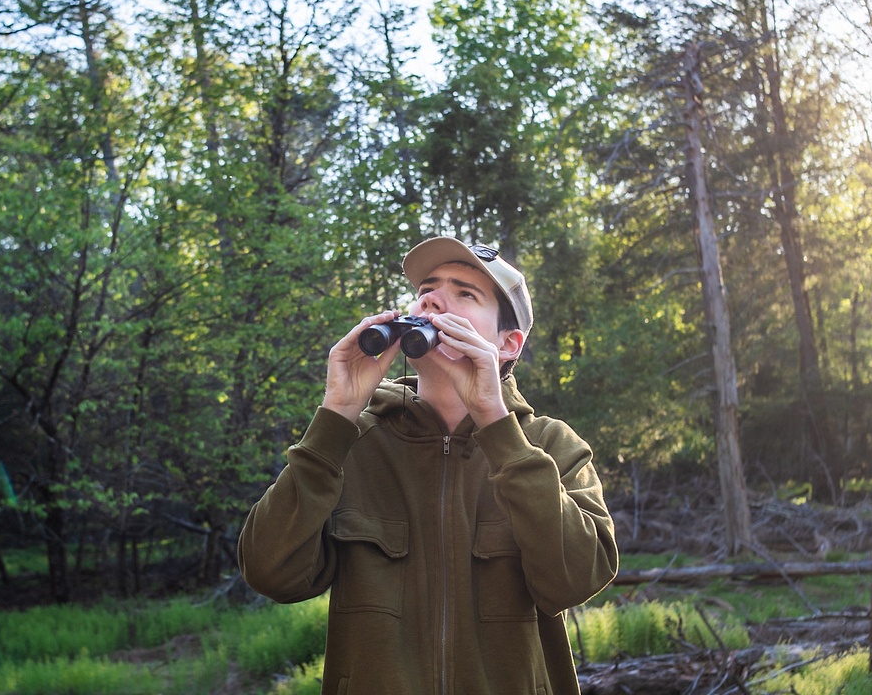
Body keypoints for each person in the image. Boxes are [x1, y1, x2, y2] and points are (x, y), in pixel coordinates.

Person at [238, 236, 618, 695]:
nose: (432, 298)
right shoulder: (353, 442)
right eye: (427, 288)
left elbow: (576, 580)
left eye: (465, 293)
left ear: (507, 343)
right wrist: (336, 413)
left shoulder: (551, 446)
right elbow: (270, 573)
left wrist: (497, 428)